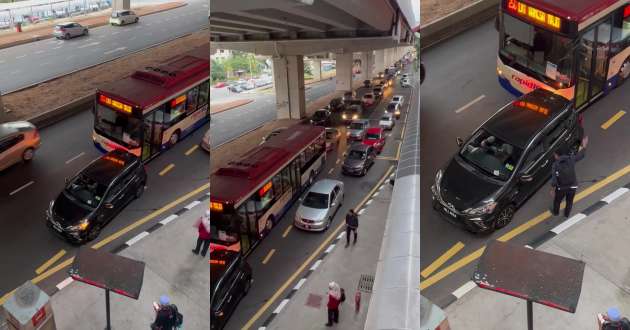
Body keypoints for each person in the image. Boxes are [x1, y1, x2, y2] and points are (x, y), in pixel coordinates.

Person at [551, 136, 588, 218]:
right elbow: (581, 155)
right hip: (572, 186)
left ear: (557, 155)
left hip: (561, 188)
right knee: (569, 201)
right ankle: (566, 214)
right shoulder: (570, 159)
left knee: (557, 201)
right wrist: (584, 145)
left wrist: (553, 190)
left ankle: (556, 212)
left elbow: (554, 180)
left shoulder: (555, 165)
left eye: (554, 154)